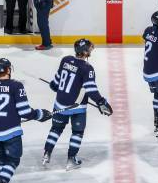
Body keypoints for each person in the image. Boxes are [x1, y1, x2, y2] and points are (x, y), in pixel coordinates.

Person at [42, 39, 113, 170]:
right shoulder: (87, 68)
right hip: (77, 106)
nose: (91, 50)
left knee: (56, 129)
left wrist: (53, 85)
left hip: (60, 104)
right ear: (85, 52)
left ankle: (47, 153)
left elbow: (57, 80)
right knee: (77, 132)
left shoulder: (66, 60)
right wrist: (101, 102)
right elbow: (91, 89)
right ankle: (71, 159)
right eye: (89, 49)